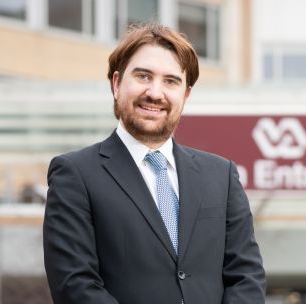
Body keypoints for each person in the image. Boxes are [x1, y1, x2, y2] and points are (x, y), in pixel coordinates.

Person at [43, 23, 266, 303]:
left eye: (171, 81)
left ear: (185, 95)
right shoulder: (75, 175)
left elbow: (246, 276)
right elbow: (75, 285)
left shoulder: (221, 176)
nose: (155, 93)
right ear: (116, 84)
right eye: (143, 76)